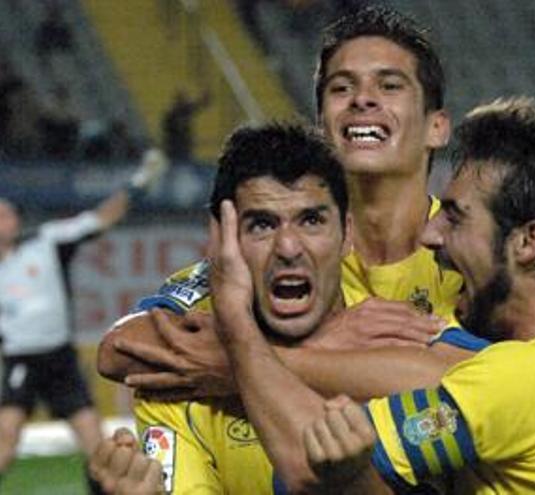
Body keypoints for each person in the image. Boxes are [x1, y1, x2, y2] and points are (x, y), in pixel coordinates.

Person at [210, 97, 535, 493]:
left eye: (455, 216)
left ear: (528, 241)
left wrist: (235, 327)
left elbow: (308, 461)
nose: (432, 233)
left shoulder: (532, 377)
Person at [90, 121, 487, 494]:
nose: (289, 248)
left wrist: (251, 361)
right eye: (262, 225)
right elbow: (118, 349)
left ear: (347, 232)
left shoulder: (393, 323)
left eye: (311, 221)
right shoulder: (180, 376)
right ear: (222, 240)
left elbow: (486, 388)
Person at [0, 148, 167, 490]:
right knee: (6, 439)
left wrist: (138, 184)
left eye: (7, 213)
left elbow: (101, 218)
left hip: (59, 357)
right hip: (21, 360)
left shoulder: (46, 243)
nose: (6, 218)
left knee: (94, 442)